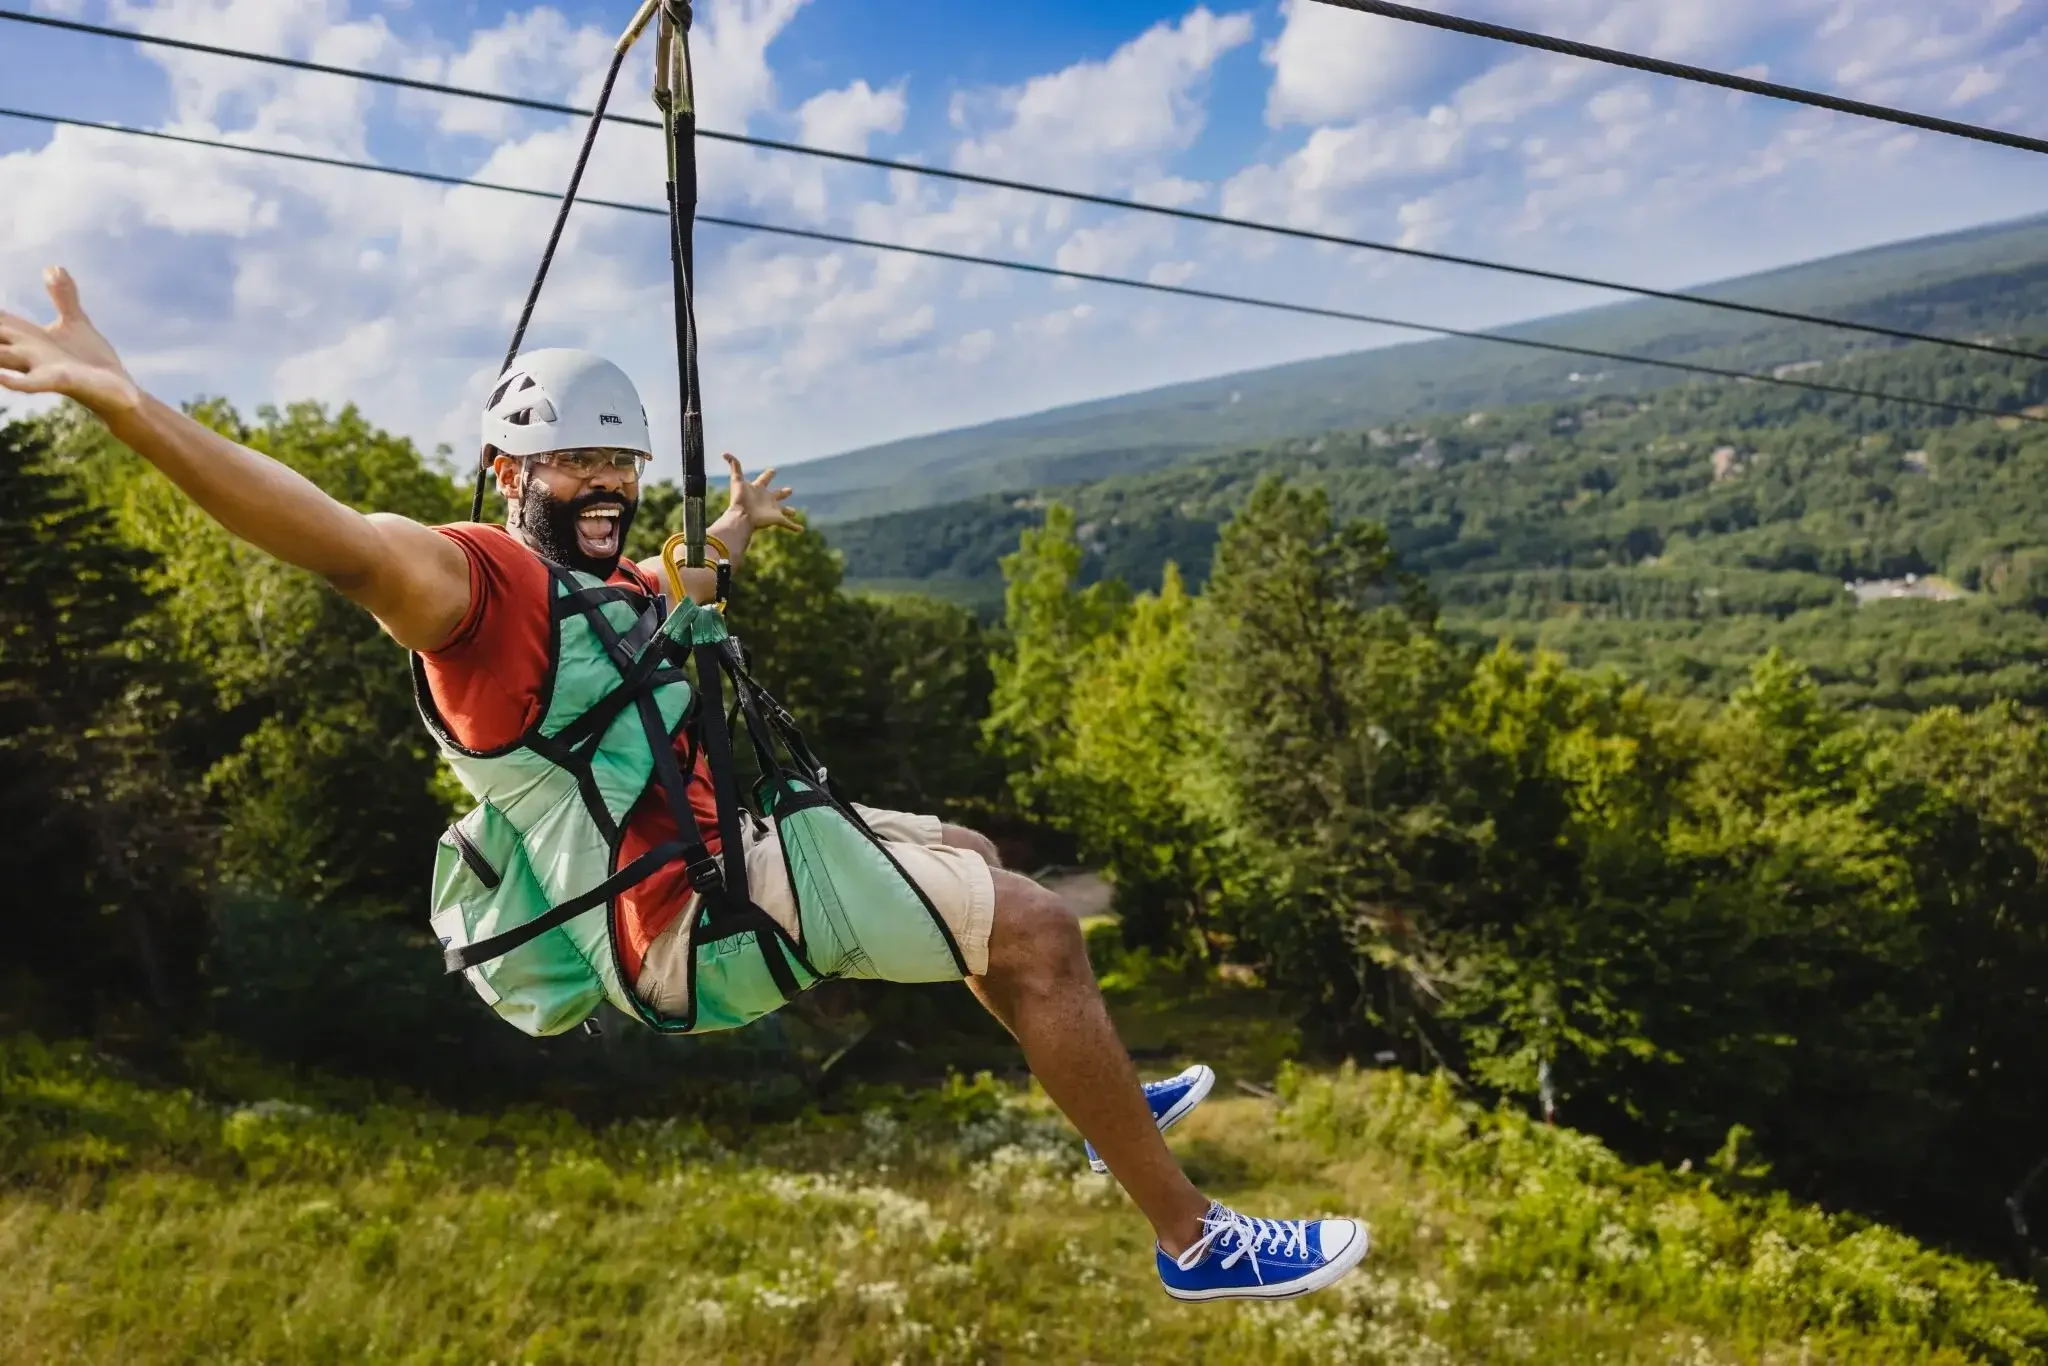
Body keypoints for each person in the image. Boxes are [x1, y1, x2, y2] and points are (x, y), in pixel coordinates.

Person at [0, 266, 1368, 1302]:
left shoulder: (595, 581)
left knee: (968, 844)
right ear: (507, 471)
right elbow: (325, 531)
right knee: (1039, 930)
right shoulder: (471, 584)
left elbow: (668, 590)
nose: (603, 482)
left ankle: (1096, 1110)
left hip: (715, 858)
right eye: (575, 461)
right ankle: (1191, 1233)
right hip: (680, 924)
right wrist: (130, 407)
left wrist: (730, 529)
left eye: (618, 461)